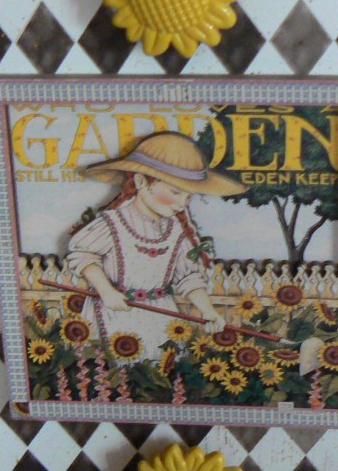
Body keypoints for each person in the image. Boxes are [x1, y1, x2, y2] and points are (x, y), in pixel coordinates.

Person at [66, 132, 244, 364]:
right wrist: (106, 290)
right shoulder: (113, 223)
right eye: (175, 192)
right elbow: (83, 255)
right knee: (108, 372)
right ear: (141, 182)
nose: (182, 203)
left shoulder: (176, 231)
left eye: (188, 197)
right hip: (114, 311)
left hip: (159, 316)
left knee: (157, 371)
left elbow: (187, 277)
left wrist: (208, 310)